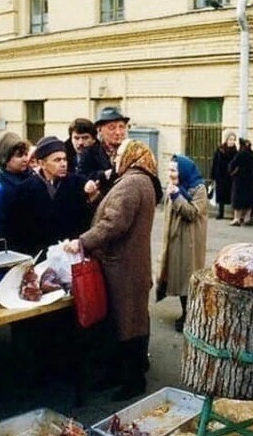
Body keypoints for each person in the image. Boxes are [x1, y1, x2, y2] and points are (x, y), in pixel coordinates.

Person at [65, 139, 162, 401]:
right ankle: (124, 373)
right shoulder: (141, 179)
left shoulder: (132, 182)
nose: (114, 158)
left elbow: (113, 224)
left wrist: (82, 241)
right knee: (131, 322)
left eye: (119, 154)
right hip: (129, 265)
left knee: (127, 325)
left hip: (123, 268)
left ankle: (133, 381)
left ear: (131, 155)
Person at [9, 135, 98, 256]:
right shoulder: (25, 190)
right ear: (42, 163)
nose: (63, 164)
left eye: (64, 159)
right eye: (57, 160)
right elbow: (17, 230)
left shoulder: (78, 183)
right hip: (38, 256)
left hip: (72, 254)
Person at [156, 154, 208, 333]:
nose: (170, 173)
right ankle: (185, 312)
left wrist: (177, 196)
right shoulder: (175, 187)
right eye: (169, 169)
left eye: (173, 169)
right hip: (175, 240)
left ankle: (190, 315)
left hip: (190, 242)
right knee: (178, 278)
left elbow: (193, 213)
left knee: (188, 278)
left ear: (183, 170)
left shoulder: (198, 188)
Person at [0, 131, 33, 242]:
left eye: (25, 154)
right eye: (19, 155)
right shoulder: (0, 186)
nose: (25, 159)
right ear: (5, 158)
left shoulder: (30, 176)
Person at [77, 106, 129, 194]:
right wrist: (104, 175)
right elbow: (81, 178)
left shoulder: (132, 151)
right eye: (112, 128)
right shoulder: (90, 153)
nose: (118, 132)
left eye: (121, 127)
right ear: (99, 130)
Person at [228, 137, 253, 226]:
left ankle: (237, 218)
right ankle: (247, 218)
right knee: (249, 200)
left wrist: (231, 172)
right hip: (250, 181)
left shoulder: (240, 154)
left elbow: (232, 165)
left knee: (238, 201)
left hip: (239, 181)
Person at [210, 130, 237, 220]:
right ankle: (220, 212)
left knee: (231, 194)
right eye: (230, 139)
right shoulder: (220, 150)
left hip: (230, 176)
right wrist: (213, 176)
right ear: (226, 140)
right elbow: (214, 163)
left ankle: (234, 214)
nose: (232, 141)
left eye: (233, 140)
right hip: (220, 176)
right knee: (221, 194)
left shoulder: (235, 152)